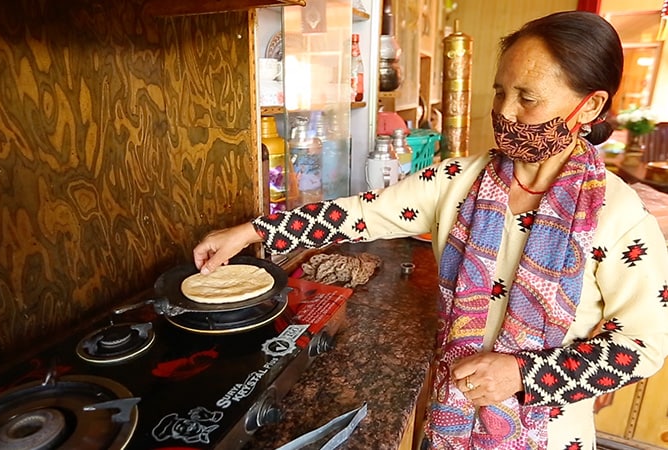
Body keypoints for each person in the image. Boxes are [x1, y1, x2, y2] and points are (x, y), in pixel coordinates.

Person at [193, 11, 668, 449]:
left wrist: (524, 374)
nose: (505, 112)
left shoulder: (618, 217)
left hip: (549, 434)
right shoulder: (457, 183)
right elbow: (362, 212)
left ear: (590, 106)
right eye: (501, 92)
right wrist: (251, 232)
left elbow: (643, 348)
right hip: (451, 416)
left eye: (528, 98)